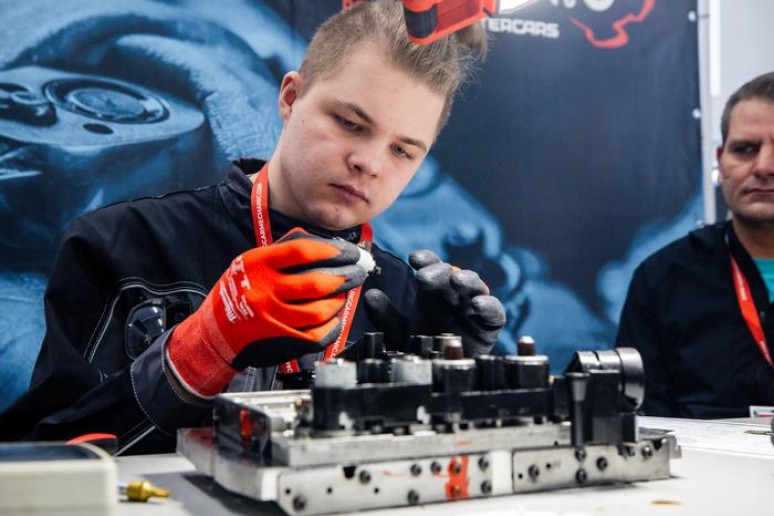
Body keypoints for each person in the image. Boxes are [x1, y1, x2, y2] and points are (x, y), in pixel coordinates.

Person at [0, 1, 505, 454]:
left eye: (402, 150)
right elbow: (39, 464)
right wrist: (201, 349)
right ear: (290, 97)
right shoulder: (118, 244)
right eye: (350, 123)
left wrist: (446, 378)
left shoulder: (401, 295)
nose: (369, 163)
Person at [616, 72, 774, 418]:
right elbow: (637, 421)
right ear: (721, 159)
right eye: (745, 149)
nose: (764, 167)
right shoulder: (661, 281)